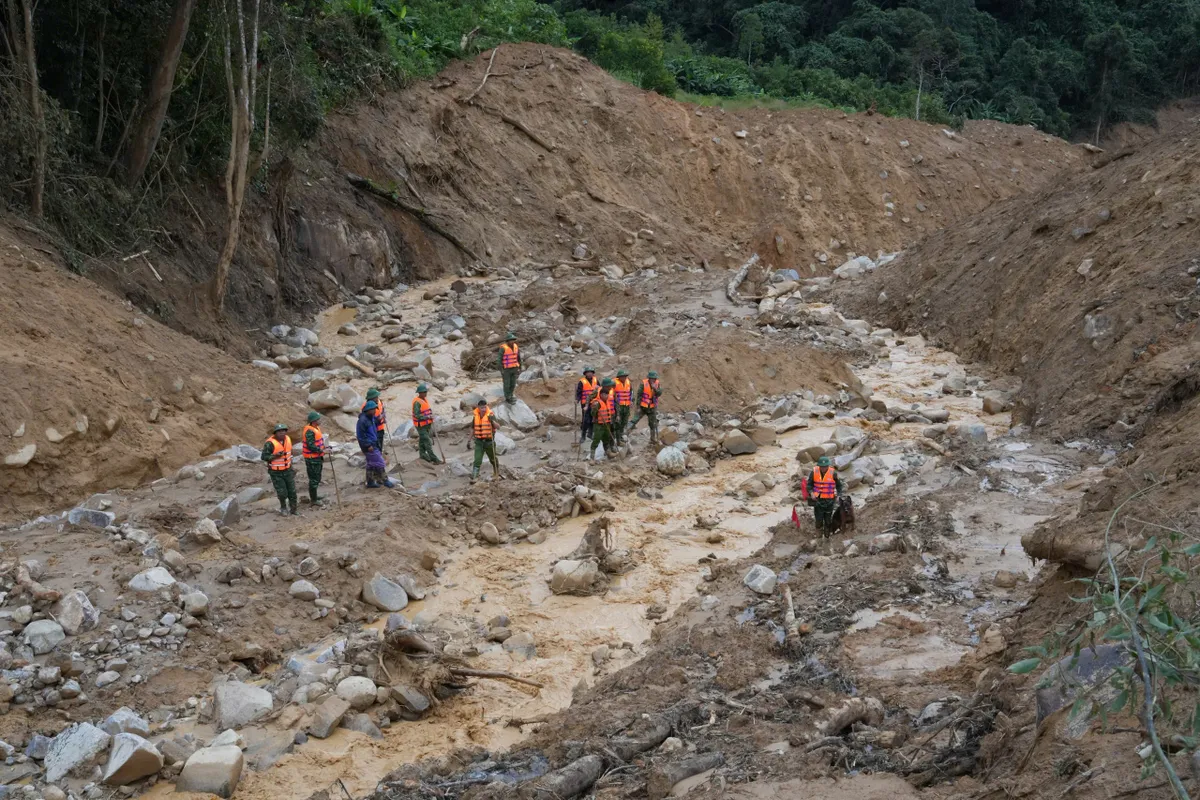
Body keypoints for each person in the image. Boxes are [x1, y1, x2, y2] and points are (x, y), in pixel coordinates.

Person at [261, 423, 298, 515]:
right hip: (276, 472)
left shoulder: (288, 439)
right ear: (275, 433)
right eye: (279, 431)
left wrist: (292, 467)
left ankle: (293, 510)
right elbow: (264, 457)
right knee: (282, 493)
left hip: (288, 470)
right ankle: (283, 508)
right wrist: (275, 456)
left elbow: (290, 454)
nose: (282, 433)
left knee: (292, 491)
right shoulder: (270, 443)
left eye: (284, 431)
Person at [357, 401, 395, 488]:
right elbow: (361, 436)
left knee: (371, 464)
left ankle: (370, 482)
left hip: (373, 443)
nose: (375, 411)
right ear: (368, 410)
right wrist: (367, 445)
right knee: (380, 462)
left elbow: (376, 422)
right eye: (373, 409)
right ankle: (385, 480)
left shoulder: (371, 418)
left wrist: (380, 418)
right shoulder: (362, 421)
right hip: (369, 446)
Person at [805, 456, 844, 536]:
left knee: (828, 520)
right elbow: (809, 485)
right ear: (819, 466)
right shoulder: (813, 472)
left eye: (825, 466)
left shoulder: (834, 474)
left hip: (829, 501)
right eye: (822, 466)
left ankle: (827, 536)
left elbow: (839, 486)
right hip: (818, 501)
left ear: (828, 466)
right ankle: (819, 536)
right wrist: (811, 493)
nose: (823, 468)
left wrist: (839, 496)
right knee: (818, 520)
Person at [470, 398, 503, 482]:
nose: (484, 409)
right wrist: (469, 440)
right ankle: (475, 476)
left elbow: (498, 427)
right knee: (477, 459)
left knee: (493, 459)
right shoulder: (475, 417)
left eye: (485, 407)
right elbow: (473, 429)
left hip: (489, 442)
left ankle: (496, 472)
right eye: (482, 408)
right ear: (478, 408)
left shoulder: (490, 415)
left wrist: (492, 422)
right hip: (479, 442)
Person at [301, 411, 327, 506]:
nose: (320, 420)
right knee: (314, 479)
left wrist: (325, 448)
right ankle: (313, 500)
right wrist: (321, 451)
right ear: (314, 421)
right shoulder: (309, 431)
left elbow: (318, 442)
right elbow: (310, 445)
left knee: (317, 477)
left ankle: (314, 496)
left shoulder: (315, 428)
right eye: (318, 419)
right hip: (312, 459)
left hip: (317, 457)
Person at [630, 370, 662, 444]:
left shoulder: (657, 384)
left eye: (654, 379)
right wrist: (638, 407)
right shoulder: (643, 384)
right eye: (652, 378)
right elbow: (639, 395)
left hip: (652, 407)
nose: (653, 380)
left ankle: (653, 439)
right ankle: (625, 434)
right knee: (635, 420)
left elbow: (659, 393)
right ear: (649, 378)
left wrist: (655, 388)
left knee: (653, 423)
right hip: (643, 407)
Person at [412, 383, 441, 464]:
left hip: (426, 424)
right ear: (420, 393)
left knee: (422, 440)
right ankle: (434, 458)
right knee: (427, 441)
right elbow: (417, 415)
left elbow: (426, 411)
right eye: (424, 392)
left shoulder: (424, 400)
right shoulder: (417, 402)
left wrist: (430, 416)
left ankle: (422, 455)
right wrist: (427, 417)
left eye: (426, 392)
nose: (426, 393)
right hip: (420, 425)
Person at [590, 378, 617, 461]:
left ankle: (609, 453)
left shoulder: (607, 402)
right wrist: (594, 408)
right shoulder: (597, 403)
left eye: (607, 395)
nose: (607, 396)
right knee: (596, 440)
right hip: (599, 425)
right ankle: (592, 457)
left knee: (606, 439)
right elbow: (592, 413)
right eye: (605, 395)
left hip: (607, 423)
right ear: (601, 395)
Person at [576, 367, 599, 442]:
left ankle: (590, 433)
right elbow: (579, 392)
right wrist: (577, 399)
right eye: (587, 372)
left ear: (593, 373)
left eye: (591, 372)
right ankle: (583, 436)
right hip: (585, 403)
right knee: (586, 420)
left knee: (593, 418)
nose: (589, 374)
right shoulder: (582, 382)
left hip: (594, 403)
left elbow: (600, 390)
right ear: (585, 373)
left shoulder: (596, 380)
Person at [498, 332, 521, 405]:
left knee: (513, 383)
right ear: (507, 341)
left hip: (514, 368)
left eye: (513, 340)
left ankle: (511, 395)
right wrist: (501, 370)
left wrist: (520, 366)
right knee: (507, 384)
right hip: (506, 369)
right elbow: (499, 360)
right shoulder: (503, 348)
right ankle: (507, 397)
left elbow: (518, 357)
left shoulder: (516, 347)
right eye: (511, 340)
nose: (512, 341)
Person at [612, 369, 633, 446]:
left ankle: (620, 436)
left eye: (625, 376)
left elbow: (631, 392)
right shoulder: (614, 383)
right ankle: (617, 439)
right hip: (618, 406)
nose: (624, 378)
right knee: (618, 422)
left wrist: (631, 401)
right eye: (622, 377)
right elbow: (610, 393)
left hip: (626, 406)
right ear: (619, 377)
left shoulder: (628, 382)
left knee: (624, 421)